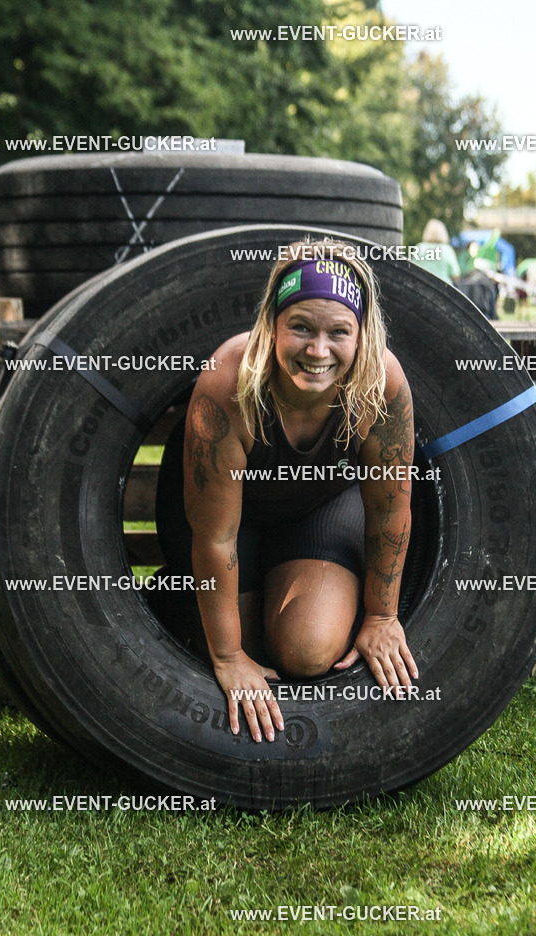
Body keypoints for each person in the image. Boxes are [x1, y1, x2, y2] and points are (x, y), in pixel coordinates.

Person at [183, 239, 418, 744]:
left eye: (339, 332)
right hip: (233, 523)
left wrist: (381, 615)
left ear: (361, 336)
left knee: (306, 650)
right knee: (231, 649)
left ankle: (297, 589)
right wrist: (227, 656)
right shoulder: (228, 380)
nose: (318, 351)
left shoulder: (381, 383)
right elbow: (216, 536)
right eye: (301, 328)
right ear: (272, 326)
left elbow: (389, 505)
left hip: (319, 515)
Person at [411, 219, 460, 285]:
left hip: (422, 287)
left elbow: (412, 270)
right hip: (443, 290)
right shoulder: (447, 250)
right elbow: (456, 275)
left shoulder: (419, 248)